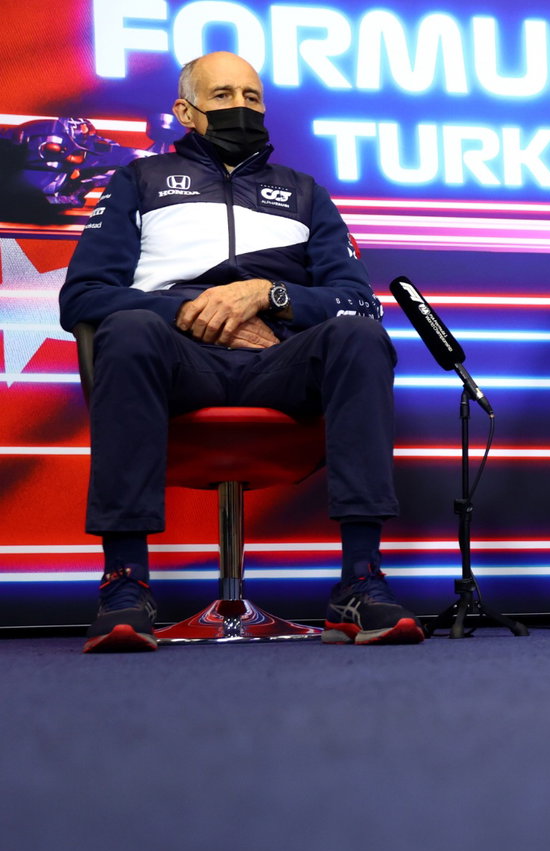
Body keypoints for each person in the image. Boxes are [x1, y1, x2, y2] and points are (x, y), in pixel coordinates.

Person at [60, 51, 424, 651]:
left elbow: (358, 302)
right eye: (223, 96)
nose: (241, 108)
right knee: (125, 329)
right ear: (186, 111)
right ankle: (125, 583)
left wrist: (269, 294)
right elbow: (84, 296)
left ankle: (360, 581)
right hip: (176, 362)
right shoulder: (139, 181)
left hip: (277, 364)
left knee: (360, 337)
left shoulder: (307, 195)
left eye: (252, 97)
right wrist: (187, 312)